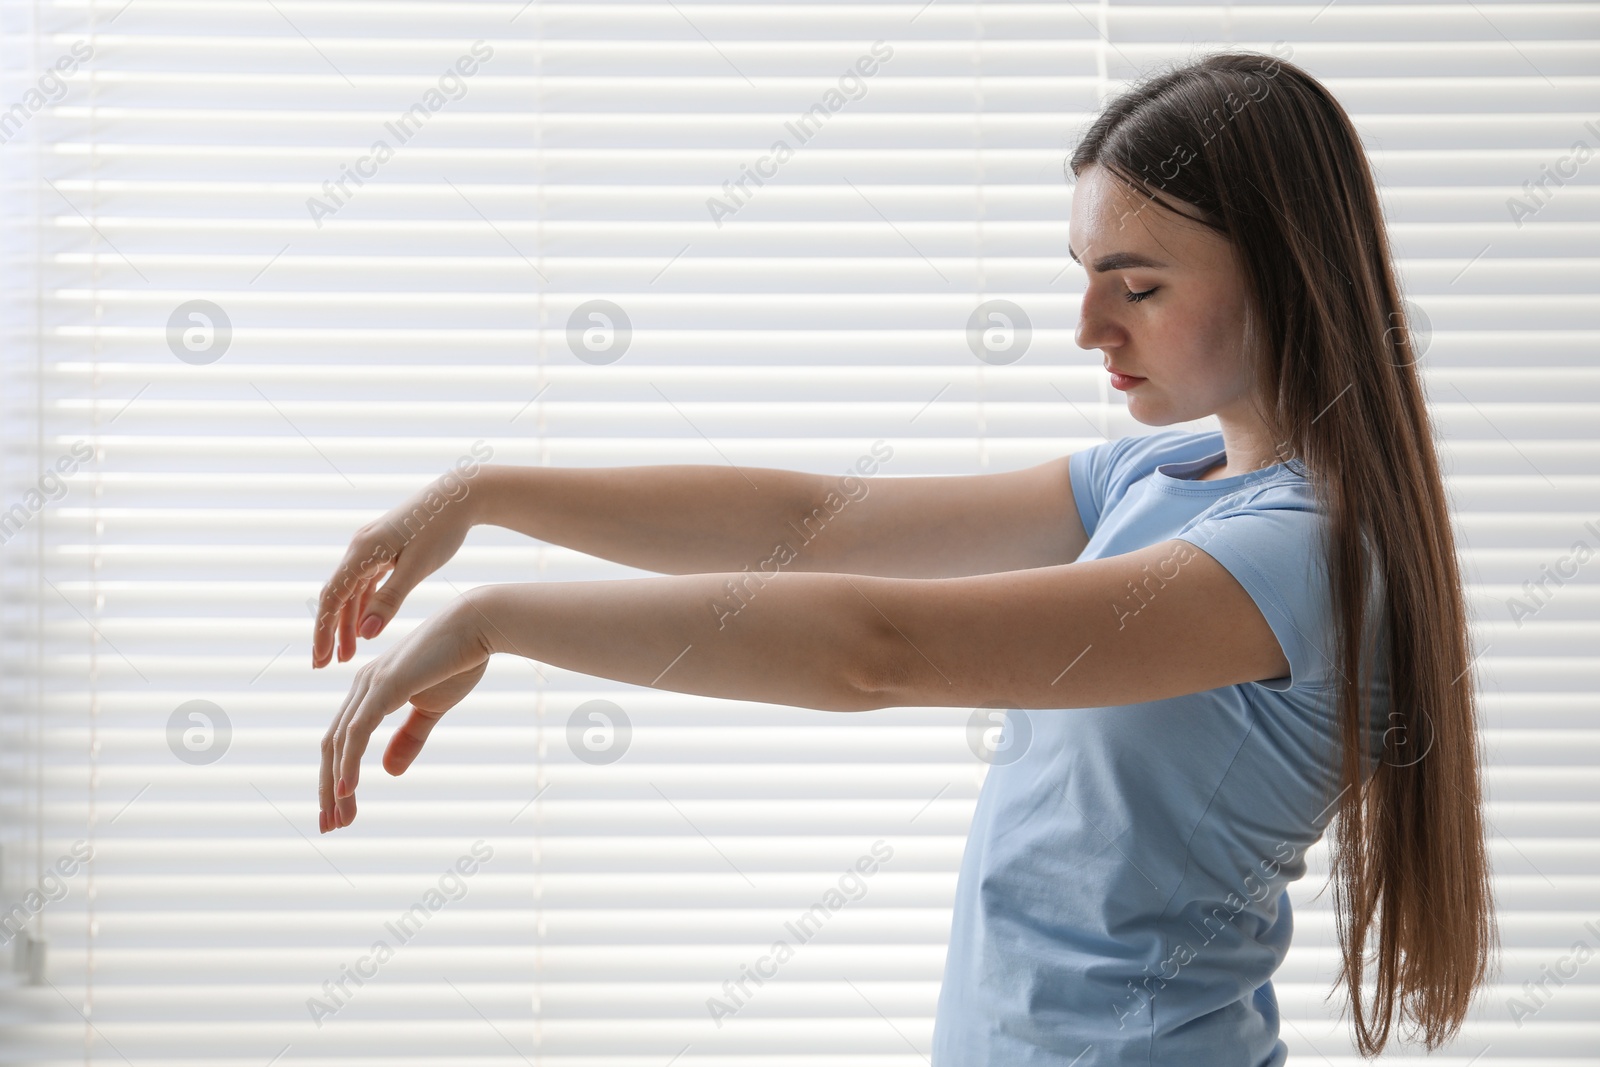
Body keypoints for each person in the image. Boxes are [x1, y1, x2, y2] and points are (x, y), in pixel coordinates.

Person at [309, 50, 1496, 1065]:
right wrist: (486, 493)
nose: (1089, 326)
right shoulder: (1160, 479)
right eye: (1081, 277)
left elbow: (879, 649)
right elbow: (816, 520)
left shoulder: (1298, 554)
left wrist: (501, 618)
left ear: (1286, 273)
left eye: (1135, 284)